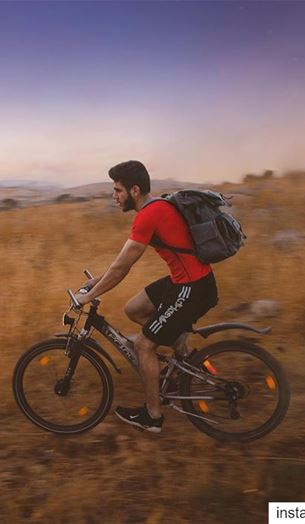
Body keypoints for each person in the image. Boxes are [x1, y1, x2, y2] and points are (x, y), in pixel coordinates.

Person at [76, 160, 218, 433]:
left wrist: (89, 296)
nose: (114, 197)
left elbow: (122, 267)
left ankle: (152, 417)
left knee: (143, 345)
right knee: (135, 308)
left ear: (135, 190)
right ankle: (185, 362)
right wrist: (97, 281)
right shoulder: (157, 207)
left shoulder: (148, 216)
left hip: (193, 287)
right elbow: (121, 262)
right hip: (186, 280)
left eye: (118, 190)